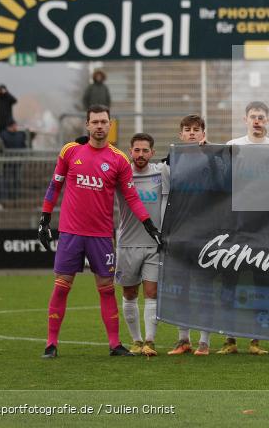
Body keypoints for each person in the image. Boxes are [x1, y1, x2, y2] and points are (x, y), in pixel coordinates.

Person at [37, 105, 159, 359]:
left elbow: (131, 196)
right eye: (95, 122)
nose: (100, 126)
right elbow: (54, 185)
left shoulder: (118, 159)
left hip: (101, 235)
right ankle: (51, 343)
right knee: (61, 286)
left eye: (104, 122)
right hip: (71, 233)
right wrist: (45, 218)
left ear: (110, 125)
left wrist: (148, 224)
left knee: (106, 289)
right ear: (87, 124)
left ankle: (115, 344)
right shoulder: (71, 151)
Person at [218, 103, 269, 355]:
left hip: (264, 230)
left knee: (261, 284)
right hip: (236, 228)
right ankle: (229, 339)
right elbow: (220, 181)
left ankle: (256, 340)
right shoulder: (234, 146)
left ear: (268, 120)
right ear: (245, 119)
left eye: (261, 117)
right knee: (230, 282)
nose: (257, 121)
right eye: (253, 117)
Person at [165, 114, 215, 355]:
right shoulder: (171, 161)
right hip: (180, 233)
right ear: (181, 134)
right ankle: (183, 339)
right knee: (181, 287)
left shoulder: (213, 160)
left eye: (197, 129)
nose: (192, 133)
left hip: (206, 233)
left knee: (204, 287)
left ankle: (205, 342)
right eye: (188, 129)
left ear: (204, 134)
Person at [116, 133, 169, 357]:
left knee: (152, 293)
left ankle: (149, 341)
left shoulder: (161, 172)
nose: (140, 154)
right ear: (130, 152)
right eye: (136, 150)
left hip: (153, 244)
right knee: (129, 294)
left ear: (152, 153)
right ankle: (136, 340)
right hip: (127, 243)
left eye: (145, 150)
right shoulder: (122, 173)